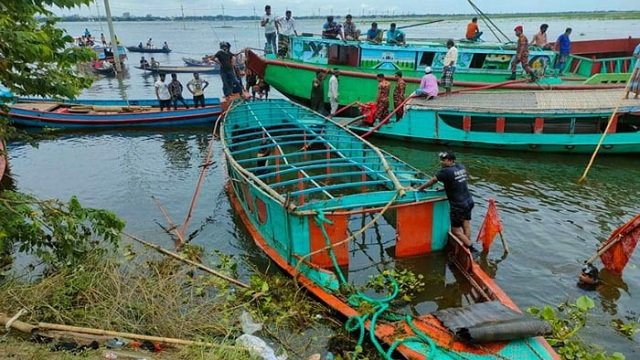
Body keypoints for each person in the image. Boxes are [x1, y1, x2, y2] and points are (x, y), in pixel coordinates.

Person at [417, 152, 479, 258]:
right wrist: (443, 188)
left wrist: (420, 188)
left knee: (455, 231)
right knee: (466, 226)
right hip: (469, 201)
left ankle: (471, 248)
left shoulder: (445, 171)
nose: (442, 161)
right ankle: (466, 246)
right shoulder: (461, 167)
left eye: (444, 160)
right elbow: (456, 182)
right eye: (442, 159)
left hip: (458, 205)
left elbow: (432, 180)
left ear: (451, 161)